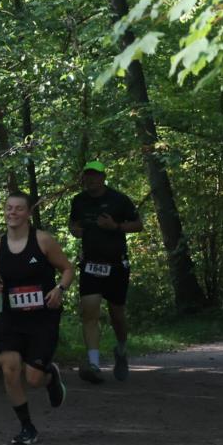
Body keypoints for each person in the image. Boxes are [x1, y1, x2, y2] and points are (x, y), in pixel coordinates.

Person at [0, 193, 74, 445]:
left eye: (19, 209)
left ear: (28, 213)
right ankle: (27, 427)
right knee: (9, 366)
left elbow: (67, 269)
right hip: (10, 318)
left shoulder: (43, 241)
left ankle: (50, 377)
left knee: (34, 379)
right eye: (9, 208)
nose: (13, 212)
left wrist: (59, 290)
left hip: (42, 318)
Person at [68, 160, 143, 383]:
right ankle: (94, 363)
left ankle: (121, 349)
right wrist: (75, 231)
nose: (91, 180)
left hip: (116, 265)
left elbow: (139, 225)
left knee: (117, 314)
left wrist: (116, 227)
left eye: (95, 176)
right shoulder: (78, 201)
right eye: (87, 176)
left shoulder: (119, 199)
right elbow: (73, 225)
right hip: (90, 265)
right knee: (89, 312)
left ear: (103, 177)